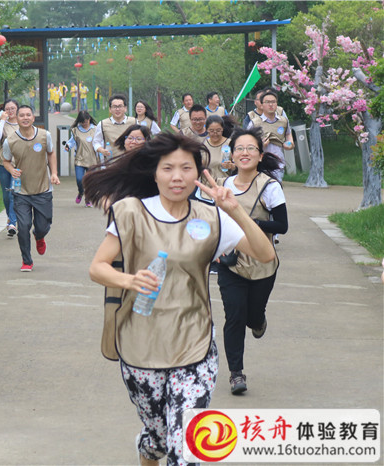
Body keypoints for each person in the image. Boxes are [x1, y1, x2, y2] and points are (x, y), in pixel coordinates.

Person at [84, 132, 275, 466]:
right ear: (154, 173)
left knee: (184, 448)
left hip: (194, 344)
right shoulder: (130, 212)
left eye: (186, 168)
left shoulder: (211, 217)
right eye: (168, 168)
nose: (177, 177)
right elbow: (97, 267)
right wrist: (130, 280)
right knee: (159, 437)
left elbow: (265, 255)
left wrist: (235, 211)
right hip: (140, 343)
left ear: (198, 173)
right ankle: (149, 447)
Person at [215, 127, 288, 395]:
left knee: (252, 316)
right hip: (230, 263)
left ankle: (258, 320)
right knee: (234, 315)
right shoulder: (223, 186)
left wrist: (251, 224)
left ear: (260, 155)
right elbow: (212, 220)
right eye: (239, 149)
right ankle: (236, 374)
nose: (244, 153)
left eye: (250, 149)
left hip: (263, 263)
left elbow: (282, 225)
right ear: (232, 155)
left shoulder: (269, 187)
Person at [2, 105, 60, 272]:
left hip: (43, 189)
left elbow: (51, 153)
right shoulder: (10, 140)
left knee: (42, 226)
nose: (25, 118)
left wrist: (54, 173)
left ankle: (39, 236)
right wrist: (11, 170)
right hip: (21, 191)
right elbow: (6, 161)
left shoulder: (44, 135)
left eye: (28, 115)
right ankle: (26, 260)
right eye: (22, 115)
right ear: (17, 118)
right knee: (23, 226)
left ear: (33, 118)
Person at [247, 90, 294, 181]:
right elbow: (247, 143)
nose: (271, 105)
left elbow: (288, 134)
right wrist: (260, 145)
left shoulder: (283, 121)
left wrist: (290, 144)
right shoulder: (254, 123)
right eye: (267, 102)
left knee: (276, 188)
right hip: (260, 165)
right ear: (262, 105)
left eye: (273, 102)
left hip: (278, 165)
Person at [0, 99, 20, 237]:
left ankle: (12, 223)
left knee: (13, 193)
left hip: (18, 164)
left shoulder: (22, 123)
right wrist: (2, 120)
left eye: (13, 108)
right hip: (3, 163)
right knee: (6, 195)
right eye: (8, 109)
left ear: (17, 109)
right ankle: (10, 217)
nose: (10, 111)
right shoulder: (0, 124)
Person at [64, 111, 98, 207]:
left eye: (86, 121)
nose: (84, 123)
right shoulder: (76, 130)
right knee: (79, 179)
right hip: (80, 159)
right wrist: (68, 146)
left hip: (92, 160)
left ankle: (88, 199)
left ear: (89, 119)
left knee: (90, 181)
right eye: (82, 122)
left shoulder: (95, 129)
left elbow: (99, 141)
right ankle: (81, 192)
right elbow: (71, 141)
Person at [93, 94, 138, 161]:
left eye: (120, 106)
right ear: (110, 109)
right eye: (114, 107)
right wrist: (102, 150)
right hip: (111, 162)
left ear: (125, 108)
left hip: (130, 161)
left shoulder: (134, 122)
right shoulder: (103, 124)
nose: (117, 109)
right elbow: (96, 142)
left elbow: (141, 140)